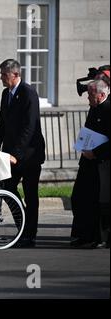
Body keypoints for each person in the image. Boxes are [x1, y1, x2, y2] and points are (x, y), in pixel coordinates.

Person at [0, 58, 46, 248]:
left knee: (31, 195)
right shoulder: (6, 94)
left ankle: (30, 235)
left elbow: (29, 127)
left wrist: (17, 153)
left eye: (3, 75)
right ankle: (22, 227)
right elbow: (2, 124)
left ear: (15, 75)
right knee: (8, 188)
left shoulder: (28, 93)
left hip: (29, 155)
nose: (1, 78)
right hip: (11, 155)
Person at [71, 79, 110, 249]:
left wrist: (95, 152)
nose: (88, 99)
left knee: (98, 201)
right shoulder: (93, 109)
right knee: (79, 197)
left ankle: (98, 237)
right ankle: (83, 235)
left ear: (101, 95)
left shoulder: (108, 109)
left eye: (90, 95)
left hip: (101, 161)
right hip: (87, 160)